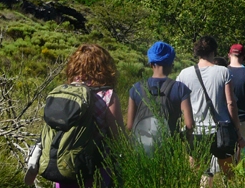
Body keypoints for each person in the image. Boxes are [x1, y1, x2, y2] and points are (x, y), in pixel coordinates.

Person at [176, 36, 245, 186]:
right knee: (230, 175)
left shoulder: (184, 74)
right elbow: (231, 103)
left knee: (202, 174)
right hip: (222, 131)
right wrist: (238, 131)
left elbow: (178, 102)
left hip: (195, 132)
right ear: (214, 50)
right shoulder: (223, 72)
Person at [58, 43, 125, 188]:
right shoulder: (107, 96)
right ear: (104, 67)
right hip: (95, 171)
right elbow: (119, 139)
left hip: (63, 168)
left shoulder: (63, 92)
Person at [127, 41, 194, 145]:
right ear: (171, 64)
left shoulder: (135, 88)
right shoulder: (180, 88)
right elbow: (189, 124)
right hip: (169, 148)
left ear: (151, 64)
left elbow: (130, 126)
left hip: (142, 148)